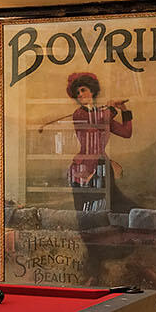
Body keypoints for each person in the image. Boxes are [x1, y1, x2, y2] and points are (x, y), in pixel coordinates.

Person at [37, 71, 132, 210]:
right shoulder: (79, 114)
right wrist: (111, 106)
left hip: (102, 166)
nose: (80, 94)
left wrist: (124, 109)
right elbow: (100, 119)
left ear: (92, 91)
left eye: (83, 90)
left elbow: (126, 132)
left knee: (113, 204)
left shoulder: (102, 114)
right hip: (83, 168)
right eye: (77, 92)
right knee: (85, 209)